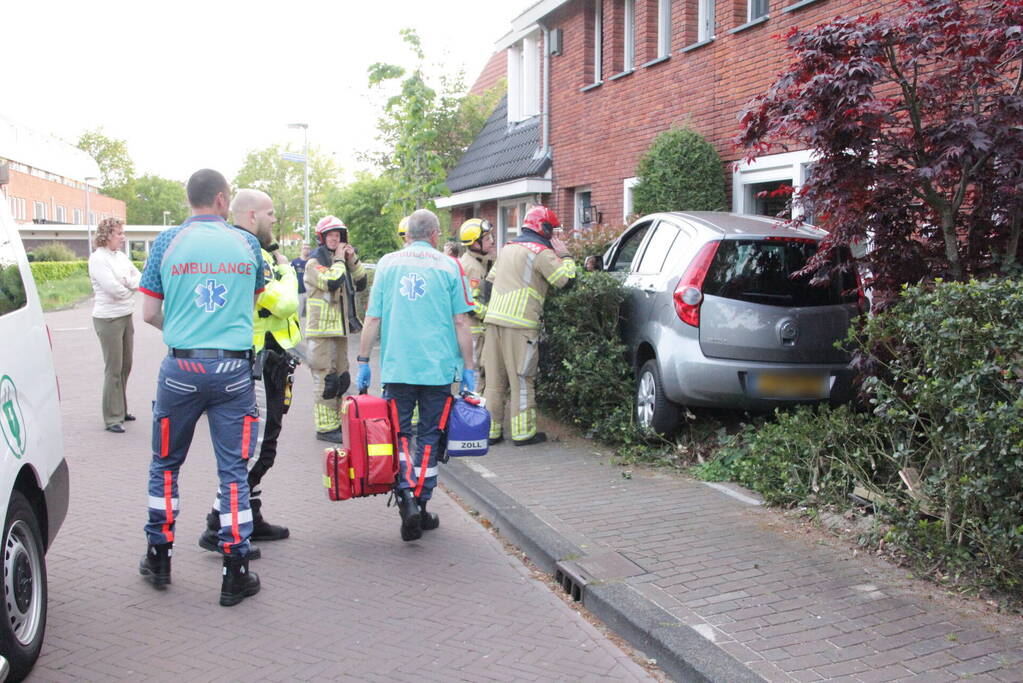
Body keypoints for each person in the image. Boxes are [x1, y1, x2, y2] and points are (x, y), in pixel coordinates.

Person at [136, 169, 264, 607]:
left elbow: (149, 312)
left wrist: (185, 332)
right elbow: (248, 304)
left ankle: (159, 557)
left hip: (180, 369)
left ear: (189, 199)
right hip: (232, 370)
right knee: (233, 471)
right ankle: (235, 571)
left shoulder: (166, 242)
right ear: (223, 200)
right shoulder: (247, 244)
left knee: (165, 465)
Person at [356, 209, 475, 542]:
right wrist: (469, 367)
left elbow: (373, 319)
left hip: (398, 366)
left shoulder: (387, 264)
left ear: (407, 234)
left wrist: (363, 359)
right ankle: (421, 504)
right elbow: (461, 323)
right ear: (435, 235)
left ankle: (405, 496)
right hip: (437, 369)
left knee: (398, 435)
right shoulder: (450, 266)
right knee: (429, 436)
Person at [197, 189, 300, 558]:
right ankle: (219, 521)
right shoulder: (248, 251)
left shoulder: (252, 249)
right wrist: (289, 270)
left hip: (268, 358)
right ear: (252, 214)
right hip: (255, 362)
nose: (275, 220)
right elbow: (286, 301)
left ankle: (249, 515)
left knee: (263, 443)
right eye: (271, 213)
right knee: (257, 449)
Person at [482, 206, 576, 446]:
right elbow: (564, 282)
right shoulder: (542, 253)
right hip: (521, 324)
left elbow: (489, 284)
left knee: (494, 380)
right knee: (522, 379)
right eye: (552, 230)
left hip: (493, 321)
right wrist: (565, 256)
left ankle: (491, 432)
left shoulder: (507, 248)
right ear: (543, 228)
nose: (554, 236)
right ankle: (523, 433)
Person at [305, 215, 367, 442]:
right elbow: (331, 281)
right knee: (326, 379)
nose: (335, 239)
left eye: (338, 235)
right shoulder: (314, 263)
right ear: (322, 238)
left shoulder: (340, 261)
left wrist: (352, 260)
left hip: (339, 330)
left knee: (342, 378)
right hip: (320, 332)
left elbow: (361, 283)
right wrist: (341, 260)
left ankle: (337, 422)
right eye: (331, 235)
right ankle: (325, 428)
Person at [88, 217, 141, 433]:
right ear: (108, 234)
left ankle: (121, 409)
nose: (122, 237)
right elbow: (113, 289)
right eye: (119, 233)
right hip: (108, 318)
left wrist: (129, 284)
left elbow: (139, 277)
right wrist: (128, 286)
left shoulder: (120, 257)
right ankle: (112, 417)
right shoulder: (98, 259)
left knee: (126, 365)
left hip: (126, 315)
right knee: (113, 368)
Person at [458, 218, 495, 394]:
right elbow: (469, 303)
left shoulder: (478, 262)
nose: (492, 242)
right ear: (475, 243)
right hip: (472, 332)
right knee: (473, 376)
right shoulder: (471, 267)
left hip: (475, 331)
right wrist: (490, 314)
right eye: (487, 239)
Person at [291, 244, 310, 318]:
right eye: (305, 248)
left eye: (308, 248)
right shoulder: (295, 262)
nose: (306, 250)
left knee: (310, 315)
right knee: (298, 314)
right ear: (301, 250)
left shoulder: (312, 262)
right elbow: (291, 276)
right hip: (299, 291)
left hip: (309, 292)